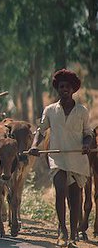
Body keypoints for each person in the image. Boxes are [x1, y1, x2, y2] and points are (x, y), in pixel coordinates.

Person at [28, 69, 93, 248]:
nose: (64, 89)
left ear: (73, 90)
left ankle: (73, 235)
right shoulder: (50, 110)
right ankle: (62, 231)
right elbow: (41, 131)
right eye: (61, 86)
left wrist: (87, 144)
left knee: (75, 199)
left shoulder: (82, 111)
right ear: (58, 89)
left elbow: (88, 134)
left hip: (77, 159)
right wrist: (34, 146)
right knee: (60, 190)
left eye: (67, 87)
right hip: (57, 158)